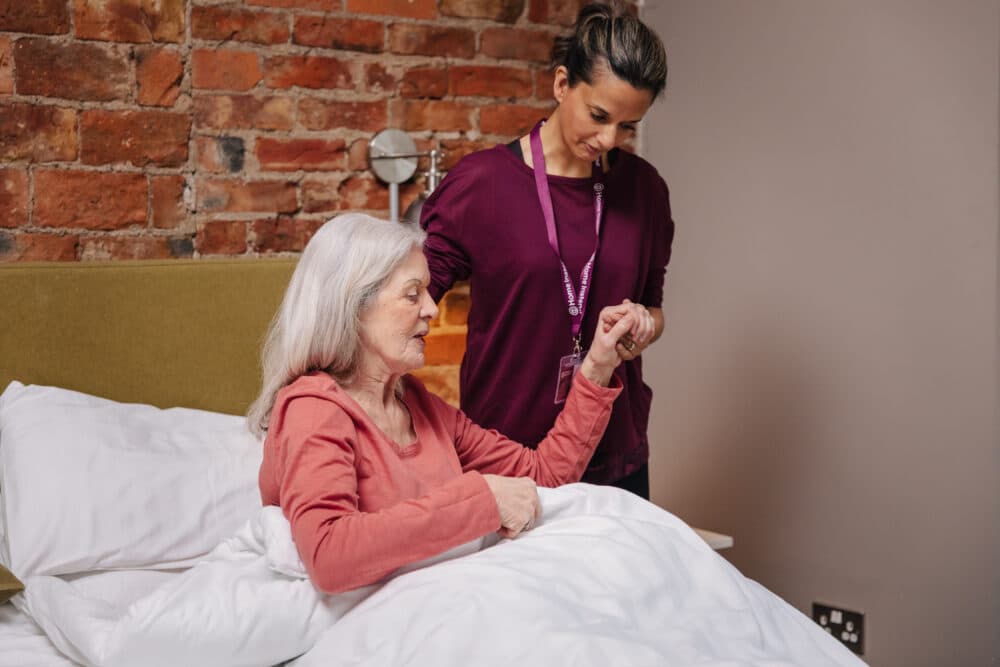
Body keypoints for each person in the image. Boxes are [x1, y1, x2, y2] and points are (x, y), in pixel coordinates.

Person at [247, 214, 637, 595]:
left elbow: (545, 475)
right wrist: (481, 501)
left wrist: (599, 365)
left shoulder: (419, 405)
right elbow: (330, 555)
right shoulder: (312, 408)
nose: (432, 309)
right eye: (412, 293)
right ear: (354, 306)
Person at [420, 1, 673, 499]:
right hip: (506, 457)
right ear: (562, 84)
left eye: (627, 127)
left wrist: (643, 324)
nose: (608, 139)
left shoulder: (645, 190)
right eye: (599, 116)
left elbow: (655, 306)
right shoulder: (482, 184)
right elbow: (411, 298)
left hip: (615, 455)